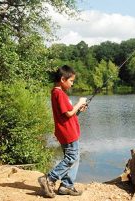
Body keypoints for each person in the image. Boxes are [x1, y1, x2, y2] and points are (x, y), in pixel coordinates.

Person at [38, 65, 87, 198]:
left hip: (68, 131)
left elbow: (68, 115)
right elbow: (69, 113)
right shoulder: (59, 94)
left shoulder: (58, 93)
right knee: (71, 157)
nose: (72, 84)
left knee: (74, 158)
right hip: (68, 133)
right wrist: (79, 102)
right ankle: (49, 179)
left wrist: (78, 109)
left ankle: (66, 186)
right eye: (71, 81)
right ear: (62, 79)